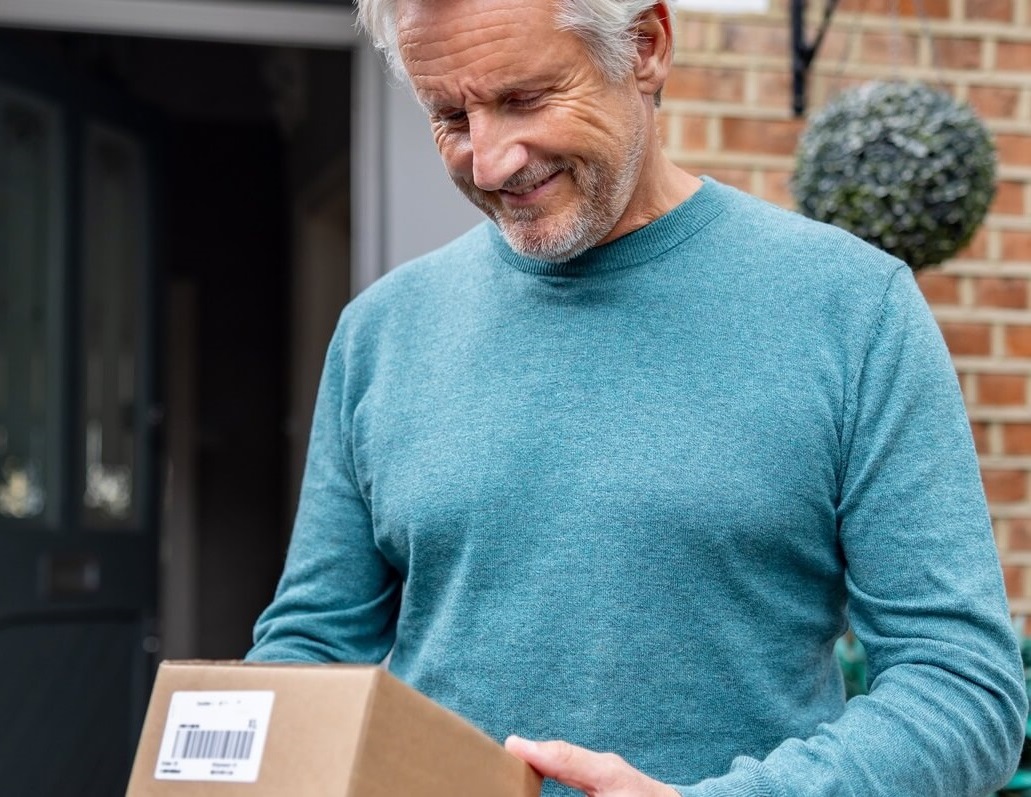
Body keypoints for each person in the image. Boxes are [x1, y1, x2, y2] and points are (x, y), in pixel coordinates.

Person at [246, 0, 1028, 793]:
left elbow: (961, 687)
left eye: (525, 99)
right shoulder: (382, 329)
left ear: (646, 46)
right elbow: (312, 644)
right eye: (449, 114)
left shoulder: (853, 310)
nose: (487, 161)